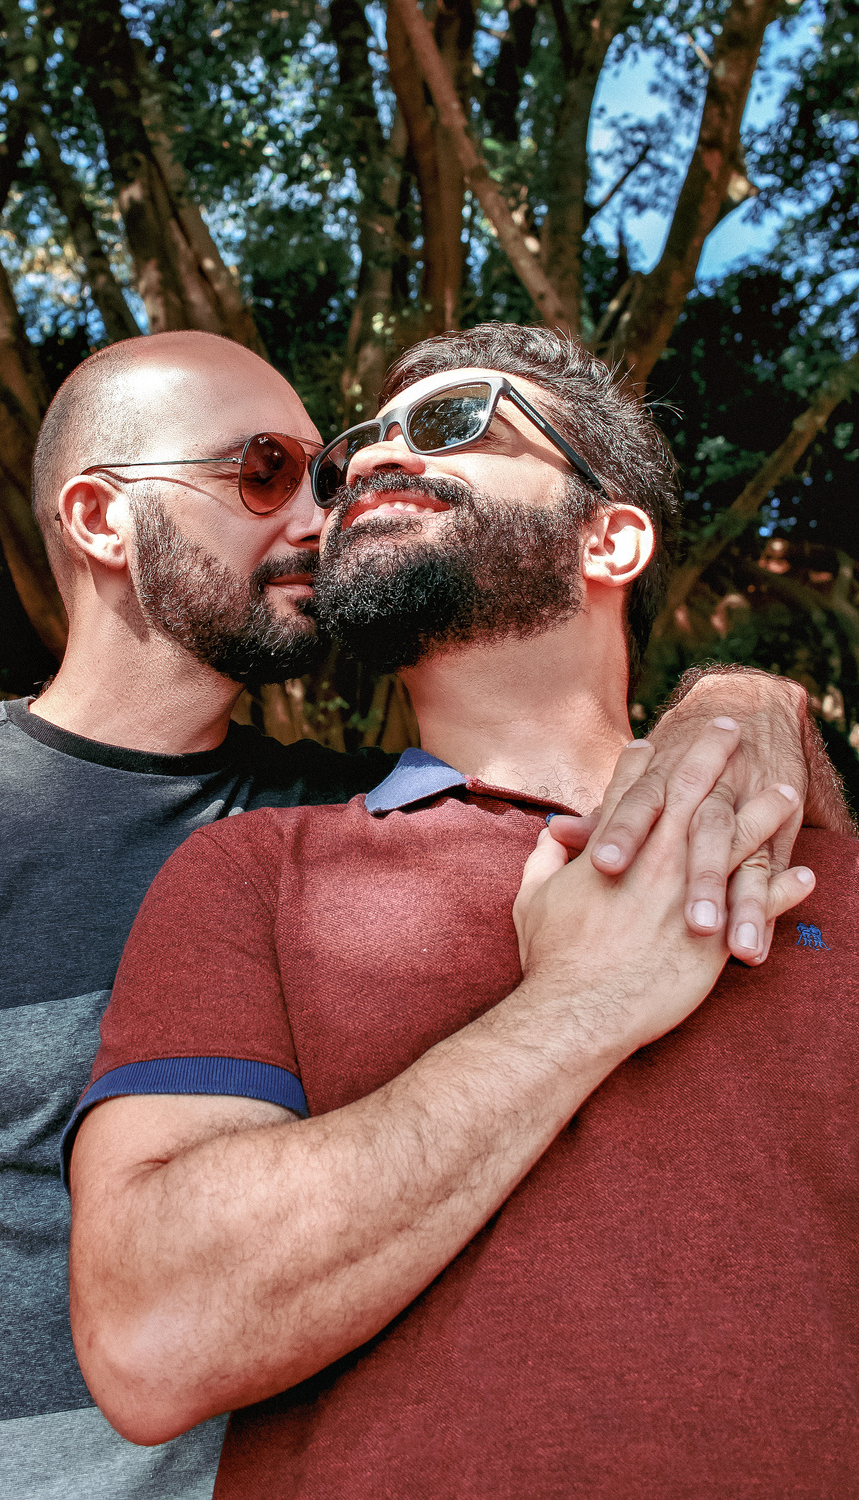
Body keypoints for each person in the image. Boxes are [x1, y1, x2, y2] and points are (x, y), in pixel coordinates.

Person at [0, 331, 841, 1500]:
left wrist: (745, 709)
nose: (332, 507)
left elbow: (561, 759)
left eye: (331, 472)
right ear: (102, 518)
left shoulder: (352, 812)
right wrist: (580, 999)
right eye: (269, 472)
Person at [65, 326, 859, 1498]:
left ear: (611, 537)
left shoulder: (825, 875)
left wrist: (754, 703)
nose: (376, 456)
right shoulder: (255, 874)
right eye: (361, 448)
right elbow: (150, 1338)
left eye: (452, 422)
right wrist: (575, 1009)